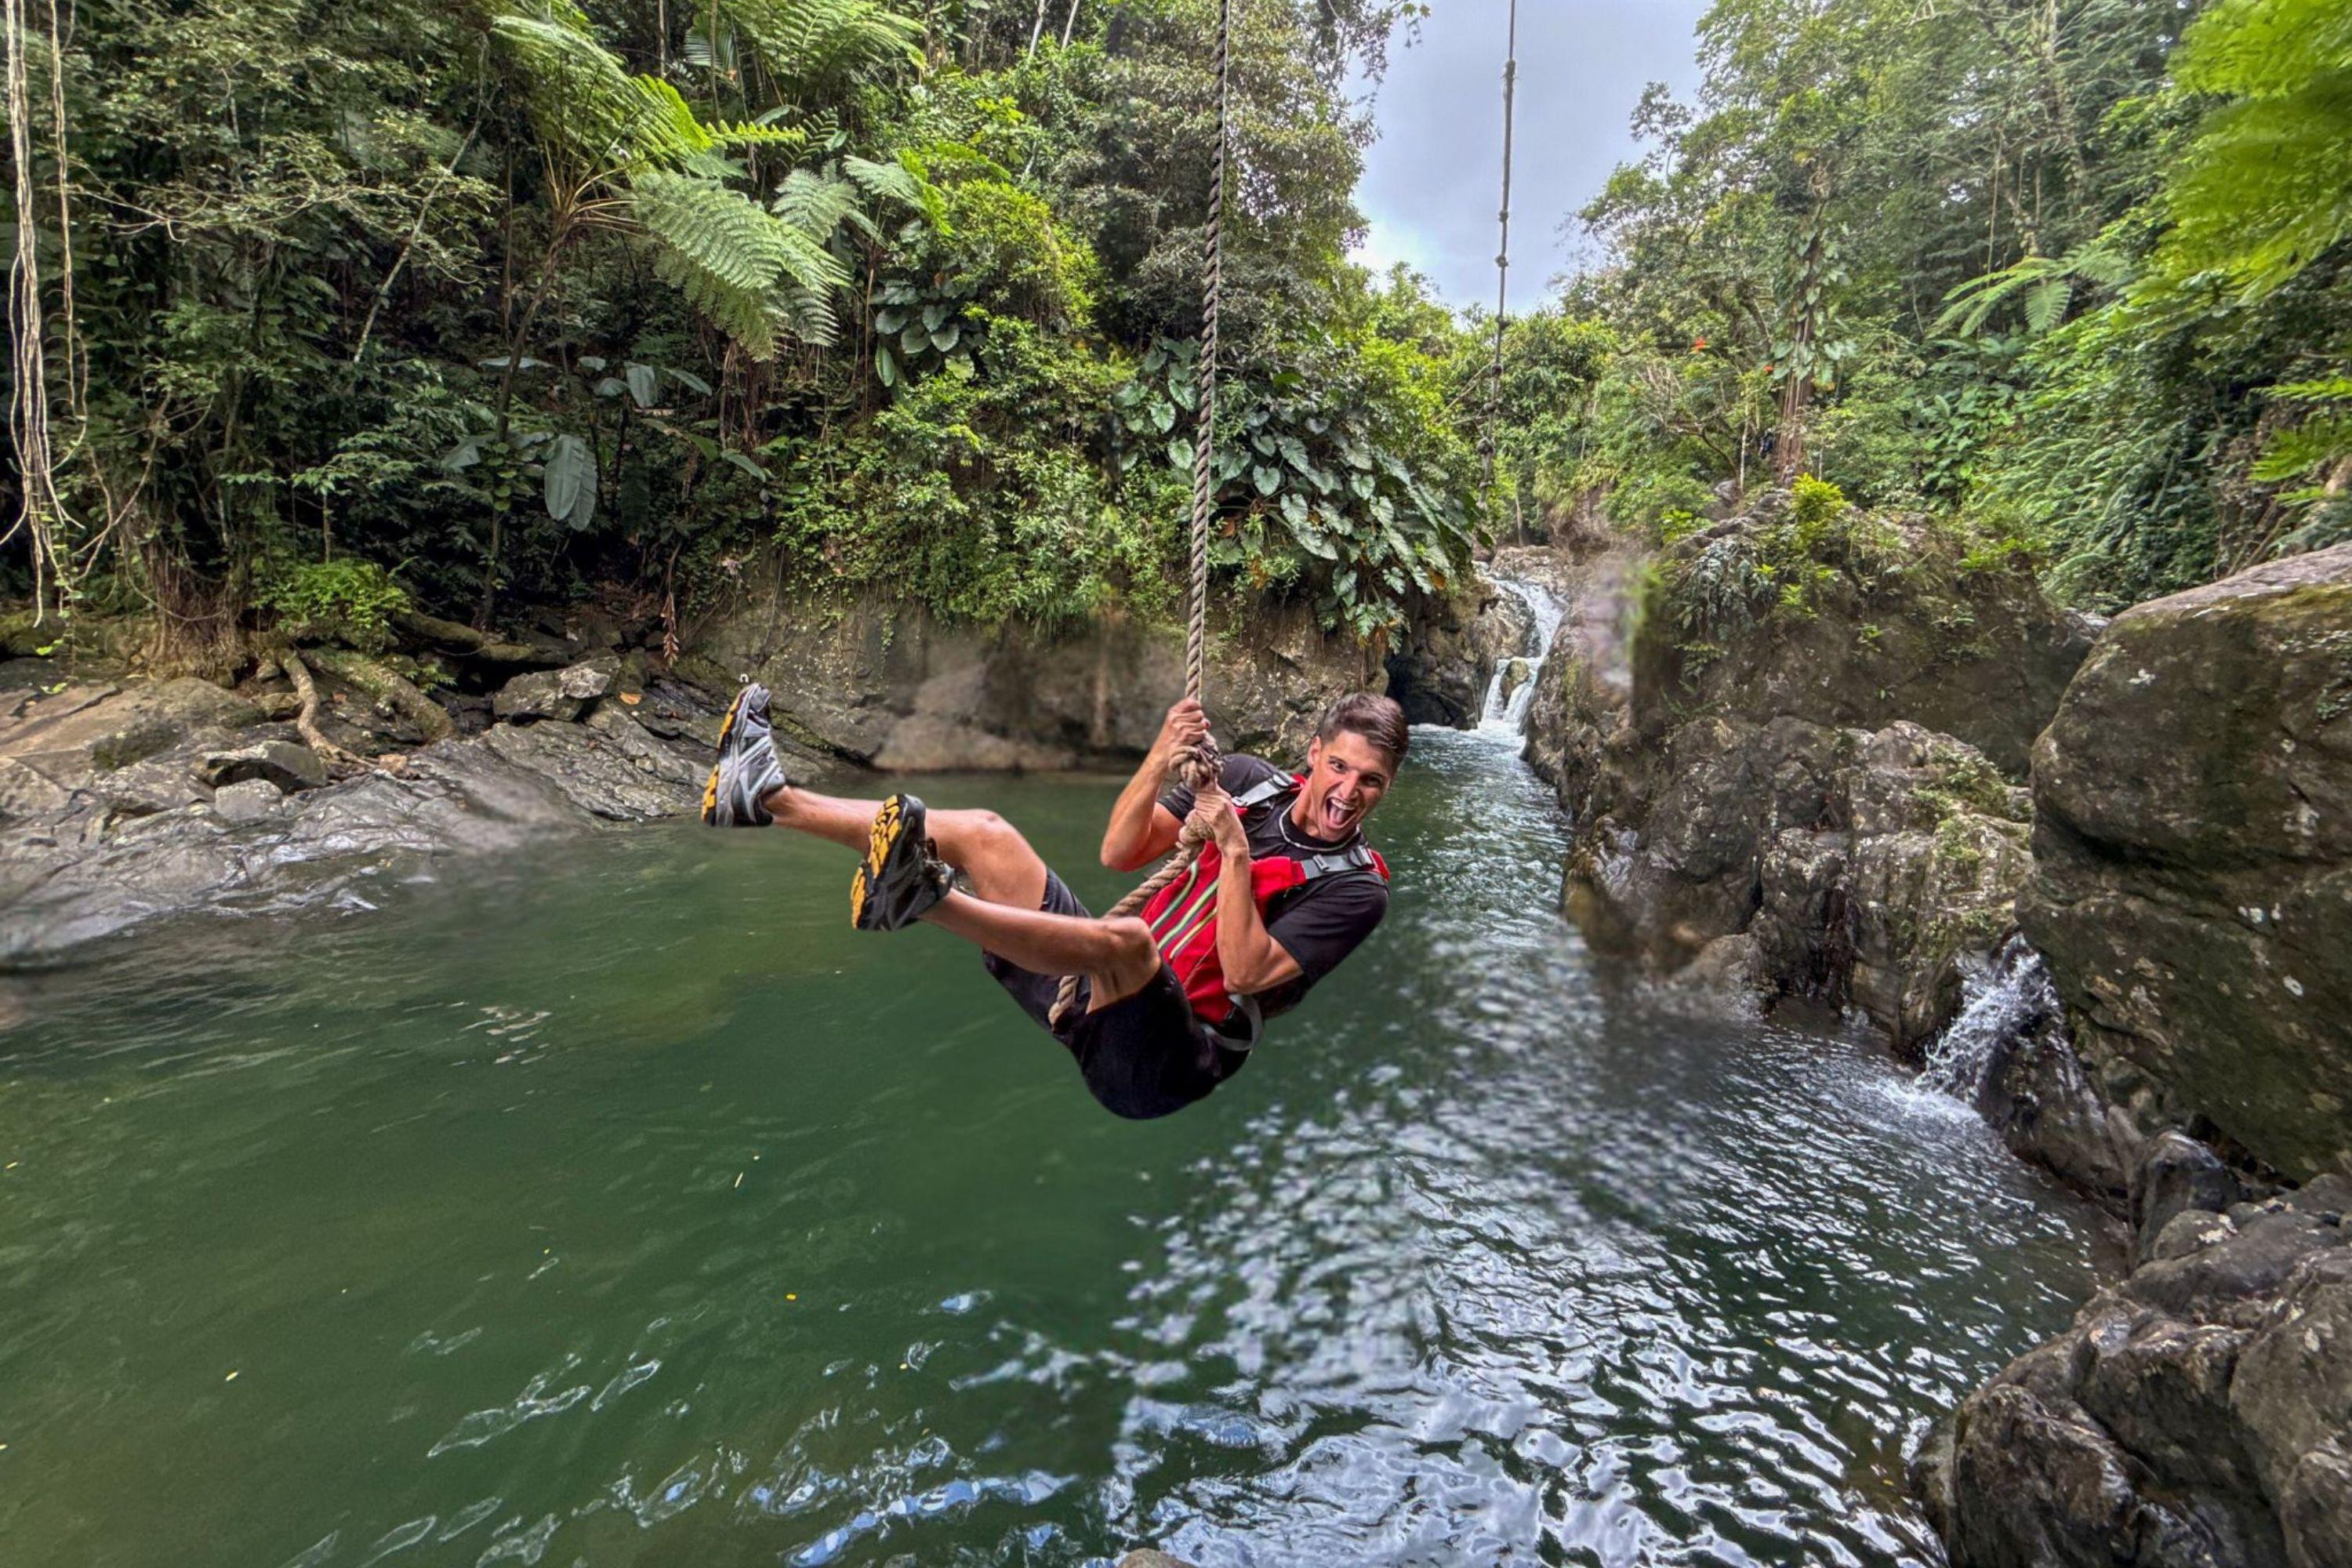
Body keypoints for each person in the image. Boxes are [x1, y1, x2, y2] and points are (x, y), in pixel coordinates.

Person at [701, 684, 1406, 1119]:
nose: (1347, 792)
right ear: (1313, 753)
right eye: (1339, 766)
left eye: (1369, 782)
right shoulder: (1247, 781)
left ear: (1387, 787)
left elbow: (1248, 974)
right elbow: (1120, 852)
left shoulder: (1355, 887)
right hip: (1086, 994)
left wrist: (1238, 851)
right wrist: (1161, 757)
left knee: (1129, 944)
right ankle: (766, 799)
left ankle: (922, 897)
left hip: (1162, 1064)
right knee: (986, 834)